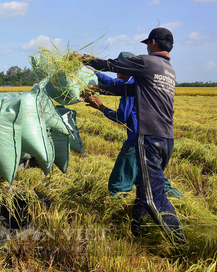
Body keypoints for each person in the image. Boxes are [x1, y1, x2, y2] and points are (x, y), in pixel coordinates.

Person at [76, 28, 185, 244]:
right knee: (145, 189)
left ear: (153, 43)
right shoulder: (168, 70)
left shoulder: (148, 62)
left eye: (147, 44)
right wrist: (99, 88)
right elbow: (130, 90)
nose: (146, 47)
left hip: (148, 137)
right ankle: (135, 230)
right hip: (166, 138)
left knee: (153, 197)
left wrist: (83, 59)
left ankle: (180, 242)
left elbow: (111, 65)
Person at [83, 51, 183, 198]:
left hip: (136, 141)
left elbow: (121, 118)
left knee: (119, 184)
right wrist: (93, 71)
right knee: (155, 180)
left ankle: (119, 212)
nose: (117, 70)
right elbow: (112, 83)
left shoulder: (130, 88)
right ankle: (179, 202)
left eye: (120, 66)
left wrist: (100, 107)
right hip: (156, 138)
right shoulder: (134, 81)